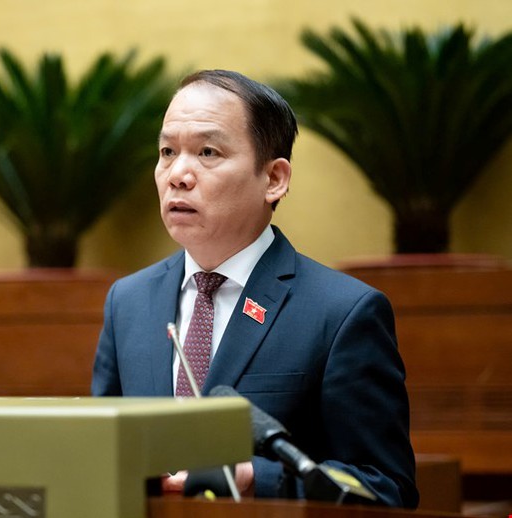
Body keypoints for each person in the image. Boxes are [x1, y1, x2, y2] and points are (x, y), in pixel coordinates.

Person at [91, 69, 419, 507]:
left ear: (274, 179)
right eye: (167, 151)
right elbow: (100, 455)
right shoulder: (129, 302)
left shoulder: (342, 313)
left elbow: (386, 490)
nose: (178, 174)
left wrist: (258, 480)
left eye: (207, 152)